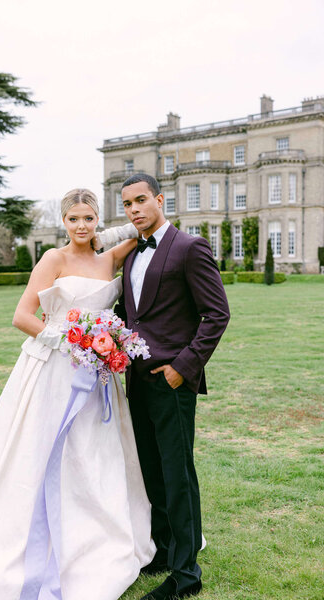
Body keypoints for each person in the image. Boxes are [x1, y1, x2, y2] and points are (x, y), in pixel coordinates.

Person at [0, 188, 156, 600]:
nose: (82, 227)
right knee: (37, 451)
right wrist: (73, 343)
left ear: (97, 221)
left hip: (98, 377)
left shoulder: (111, 257)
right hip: (53, 369)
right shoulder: (54, 259)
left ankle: (97, 533)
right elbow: (21, 316)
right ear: (64, 221)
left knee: (94, 454)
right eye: (74, 219)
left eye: (89, 219)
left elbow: (148, 228)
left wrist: (106, 236)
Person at [115, 173, 231, 600]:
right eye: (127, 204)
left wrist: (183, 367)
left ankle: (186, 573)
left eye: (141, 200)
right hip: (136, 381)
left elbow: (217, 314)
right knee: (152, 471)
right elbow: (130, 314)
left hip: (172, 380)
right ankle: (163, 552)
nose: (135, 210)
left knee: (178, 473)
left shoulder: (188, 247)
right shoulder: (130, 253)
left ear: (160, 199)